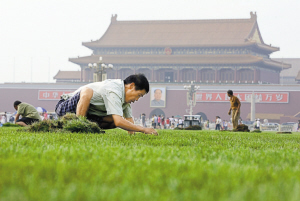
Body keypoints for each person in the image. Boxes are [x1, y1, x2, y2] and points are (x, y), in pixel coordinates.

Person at [55, 74, 157, 135]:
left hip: (88, 113)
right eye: (138, 95)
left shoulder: (125, 100)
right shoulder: (114, 89)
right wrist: (143, 129)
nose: (137, 99)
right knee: (87, 91)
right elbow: (119, 122)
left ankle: (88, 128)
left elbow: (129, 121)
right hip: (66, 106)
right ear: (131, 86)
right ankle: (79, 127)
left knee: (114, 120)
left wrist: (133, 136)